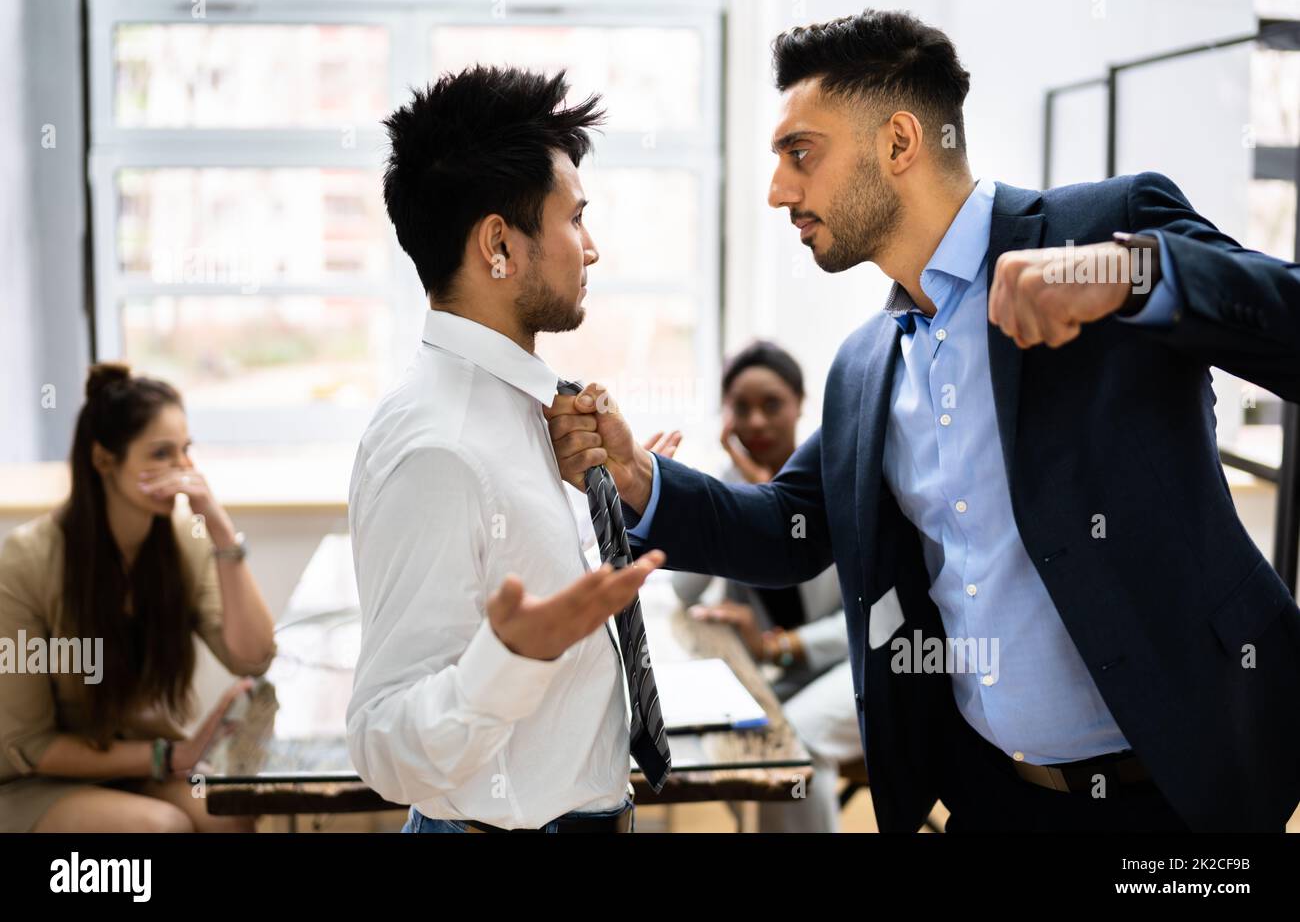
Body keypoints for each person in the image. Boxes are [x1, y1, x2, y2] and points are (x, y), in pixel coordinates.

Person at [547, 9, 1300, 832]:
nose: (777, 191)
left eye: (800, 154)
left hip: (1186, 793)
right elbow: (787, 530)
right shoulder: (865, 366)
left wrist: (1128, 271)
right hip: (993, 796)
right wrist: (635, 475)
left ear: (901, 143)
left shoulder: (1105, 229)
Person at [345, 66, 671, 834]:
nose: (590, 249)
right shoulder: (439, 448)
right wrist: (511, 659)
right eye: (575, 220)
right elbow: (382, 744)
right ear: (500, 244)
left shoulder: (537, 413)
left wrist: (615, 506)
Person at [0, 363, 276, 832]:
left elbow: (252, 657)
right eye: (161, 454)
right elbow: (29, 744)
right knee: (161, 827)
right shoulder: (23, 564)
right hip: (35, 780)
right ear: (105, 460)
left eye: (186, 451)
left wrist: (222, 534)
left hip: (139, 765)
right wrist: (169, 755)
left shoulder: (180, 545)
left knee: (228, 817)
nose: (184, 470)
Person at [673, 339, 866, 832]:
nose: (756, 421)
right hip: (790, 674)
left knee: (792, 741)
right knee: (749, 732)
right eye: (741, 407)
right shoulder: (732, 484)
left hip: (865, 664)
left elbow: (871, 617)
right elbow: (685, 591)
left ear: (801, 404)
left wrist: (779, 645)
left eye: (772, 404)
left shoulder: (838, 479)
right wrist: (744, 490)